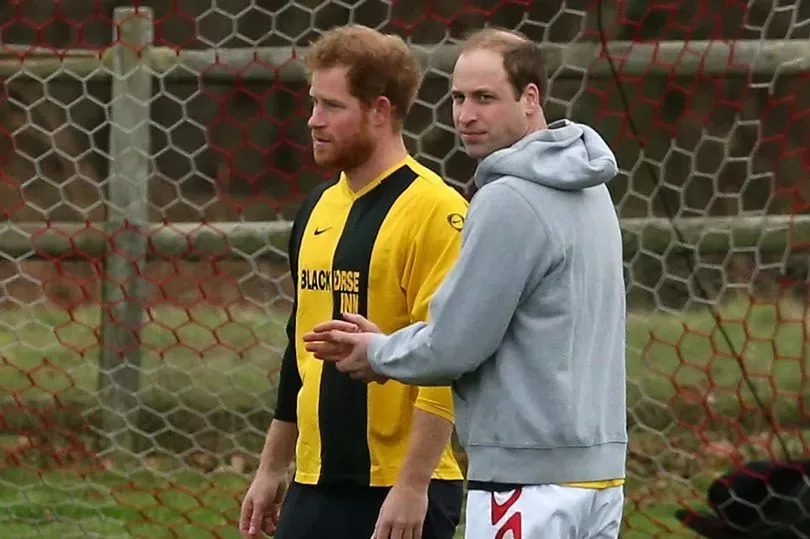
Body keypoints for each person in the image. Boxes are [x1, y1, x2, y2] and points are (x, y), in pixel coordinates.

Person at [303, 27, 628, 539]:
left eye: (485, 98)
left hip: (525, 480)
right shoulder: (590, 187)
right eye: (457, 98)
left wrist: (379, 351)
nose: (465, 115)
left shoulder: (509, 200)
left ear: (530, 98)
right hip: (599, 476)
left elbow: (454, 344)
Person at [237, 24, 467, 539]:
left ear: (380, 111)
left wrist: (413, 485)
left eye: (332, 106)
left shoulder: (437, 211)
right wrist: (273, 467)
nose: (313, 121)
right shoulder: (316, 208)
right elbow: (298, 346)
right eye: (313, 103)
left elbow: (449, 359)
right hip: (315, 481)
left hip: (400, 488)